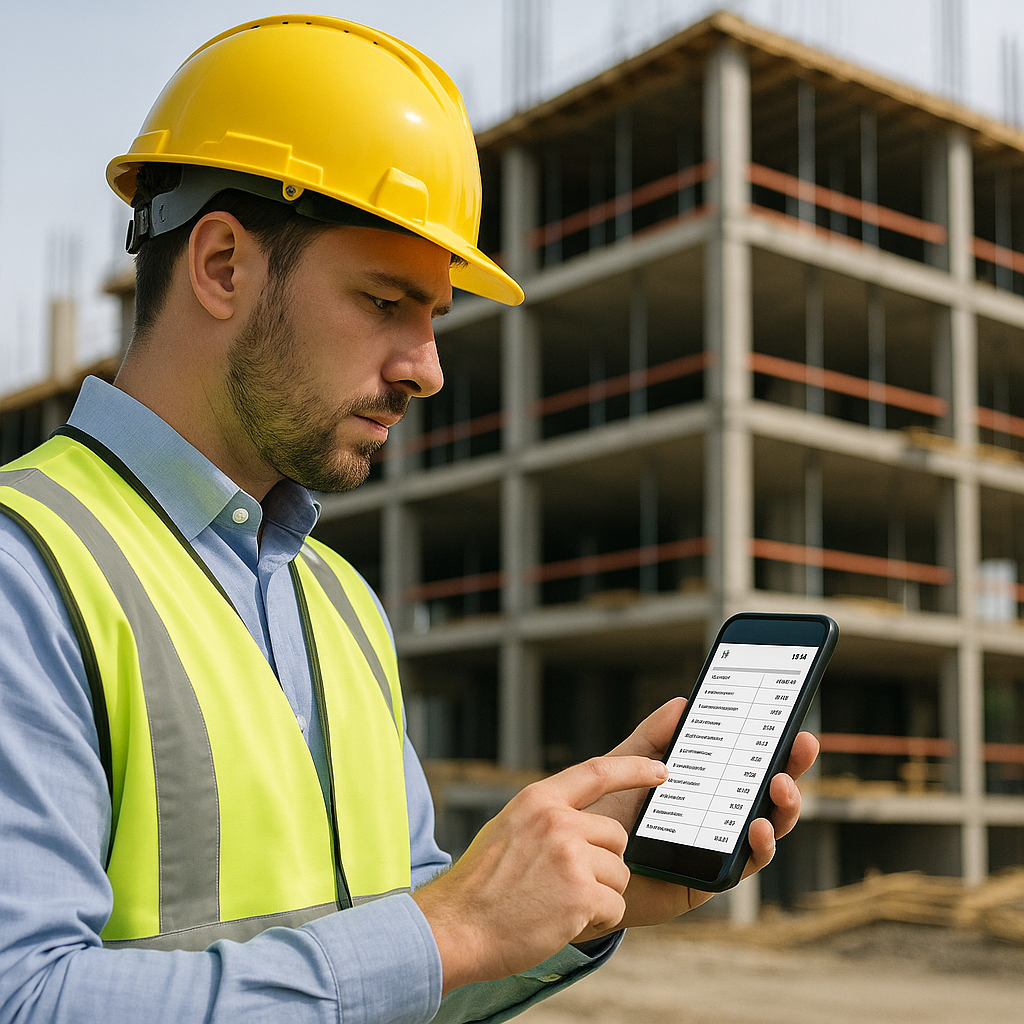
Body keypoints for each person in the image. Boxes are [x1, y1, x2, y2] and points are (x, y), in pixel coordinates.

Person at [0, 14, 819, 1024]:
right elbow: (23, 996)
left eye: (433, 317)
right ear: (221, 266)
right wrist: (447, 930)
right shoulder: (26, 569)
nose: (426, 369)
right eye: (386, 301)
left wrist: (573, 897)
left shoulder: (340, 603)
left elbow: (403, 973)